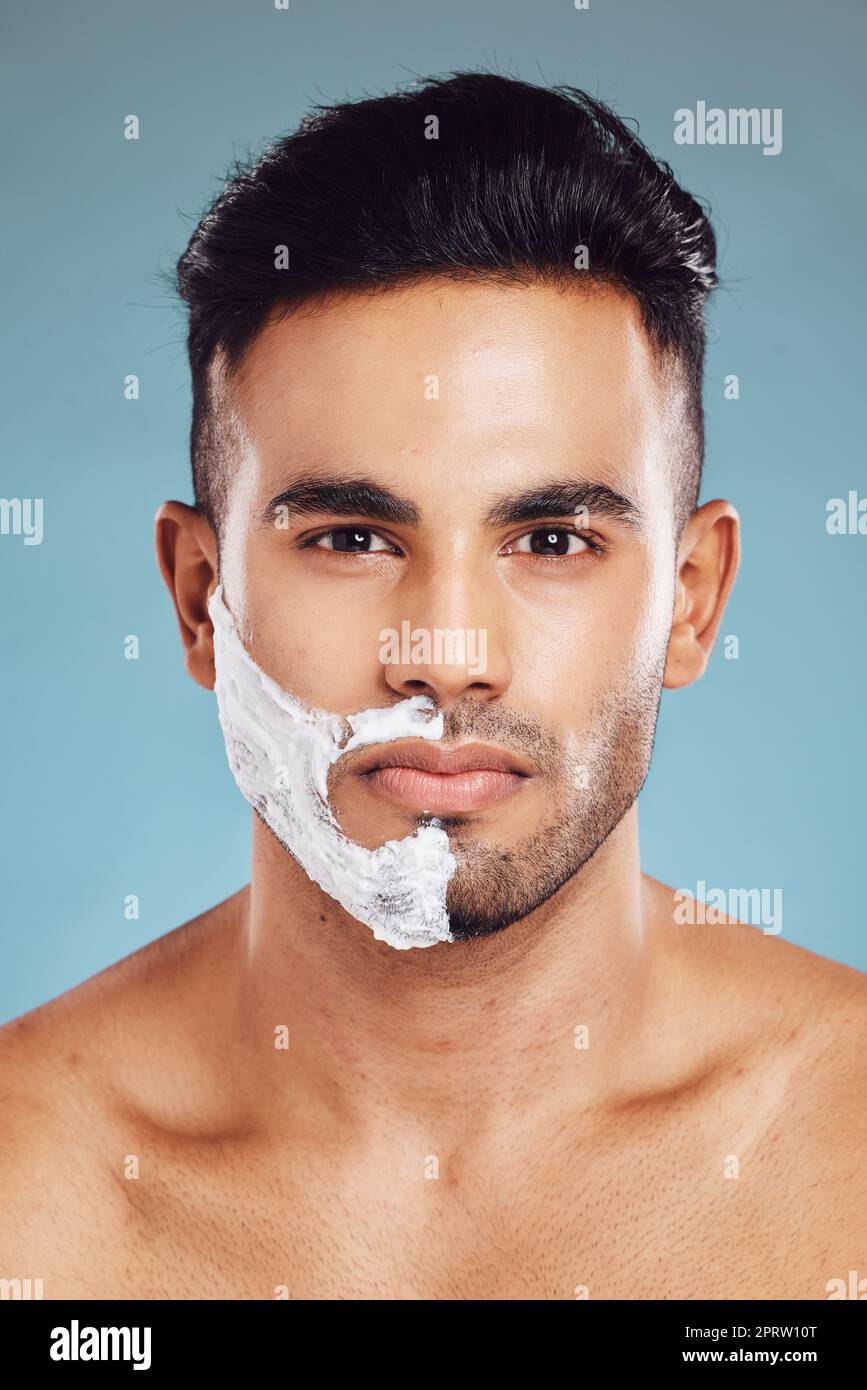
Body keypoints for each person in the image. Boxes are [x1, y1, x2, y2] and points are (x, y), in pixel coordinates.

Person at [2, 71, 865, 1301]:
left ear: (693, 598)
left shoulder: (849, 1156)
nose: (446, 651)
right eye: (352, 536)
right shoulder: (27, 1186)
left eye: (553, 539)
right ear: (200, 597)